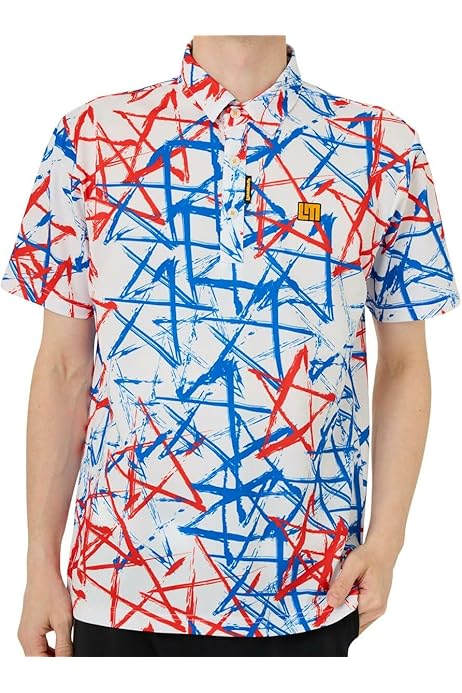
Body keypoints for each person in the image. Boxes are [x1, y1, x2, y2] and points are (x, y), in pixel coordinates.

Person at [1, 34, 460, 658]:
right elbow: (62, 366)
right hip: (120, 587)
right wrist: (38, 562)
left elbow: (405, 362)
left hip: (308, 589)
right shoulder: (90, 140)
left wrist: (388, 540)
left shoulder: (382, 148)